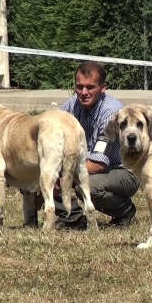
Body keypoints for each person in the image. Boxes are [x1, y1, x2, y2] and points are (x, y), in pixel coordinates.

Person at [53, 61, 140, 230]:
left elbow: (99, 163)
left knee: (86, 186)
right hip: (87, 165)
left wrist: (67, 175)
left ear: (103, 87)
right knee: (46, 172)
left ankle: (124, 210)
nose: (84, 92)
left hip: (123, 171)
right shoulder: (71, 105)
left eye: (90, 87)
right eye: (79, 87)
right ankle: (72, 217)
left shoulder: (111, 113)